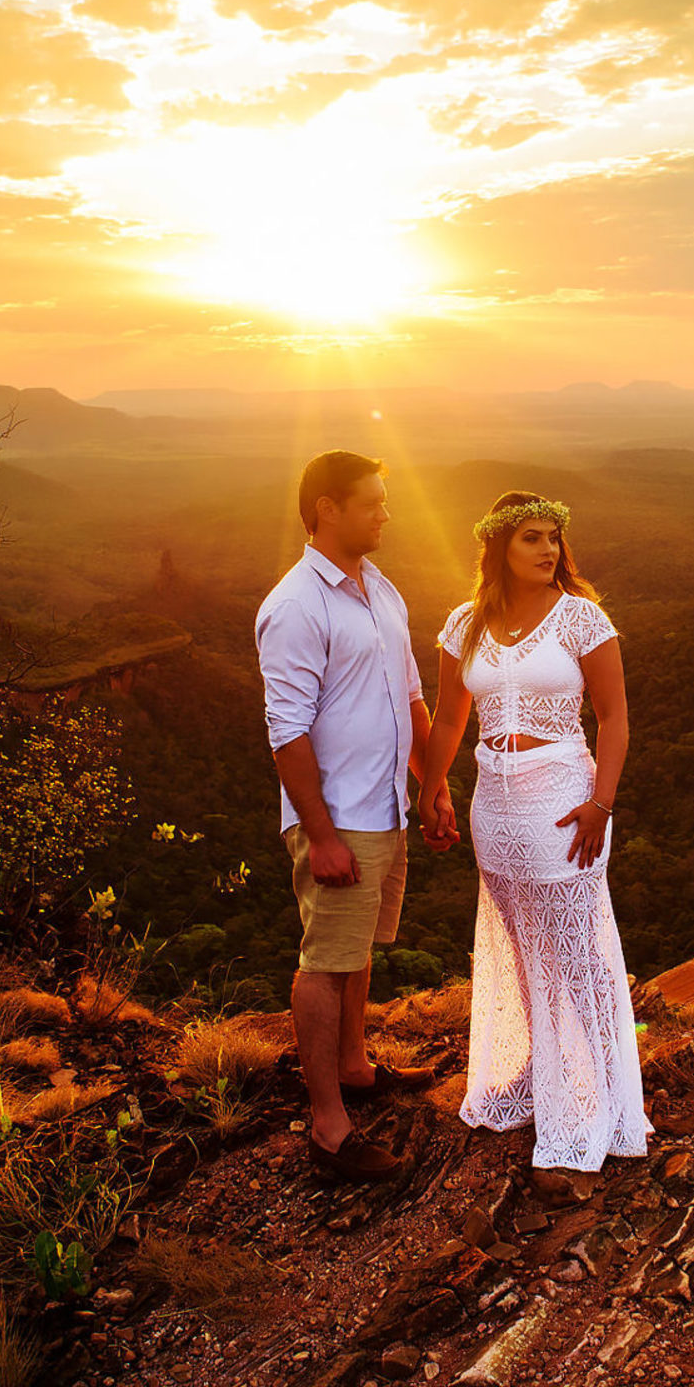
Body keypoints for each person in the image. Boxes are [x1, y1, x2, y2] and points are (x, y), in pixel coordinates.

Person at [418, 491, 653, 1172]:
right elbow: (450, 718)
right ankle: (537, 1073)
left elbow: (614, 717)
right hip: (494, 802)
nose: (548, 548)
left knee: (576, 952)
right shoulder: (465, 624)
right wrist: (431, 789)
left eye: (554, 536)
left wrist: (602, 803)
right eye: (531, 537)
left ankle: (597, 1096)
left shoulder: (582, 618)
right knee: (523, 948)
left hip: (564, 800)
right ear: (498, 546)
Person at [256, 450, 445, 1183]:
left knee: (358, 947)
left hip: (385, 805)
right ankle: (329, 1127)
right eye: (372, 502)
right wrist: (324, 835)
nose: (386, 514)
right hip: (338, 815)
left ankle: (355, 1067)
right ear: (327, 509)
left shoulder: (380, 589)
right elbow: (286, 731)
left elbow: (410, 696)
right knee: (326, 961)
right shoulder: (296, 605)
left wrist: (432, 787)